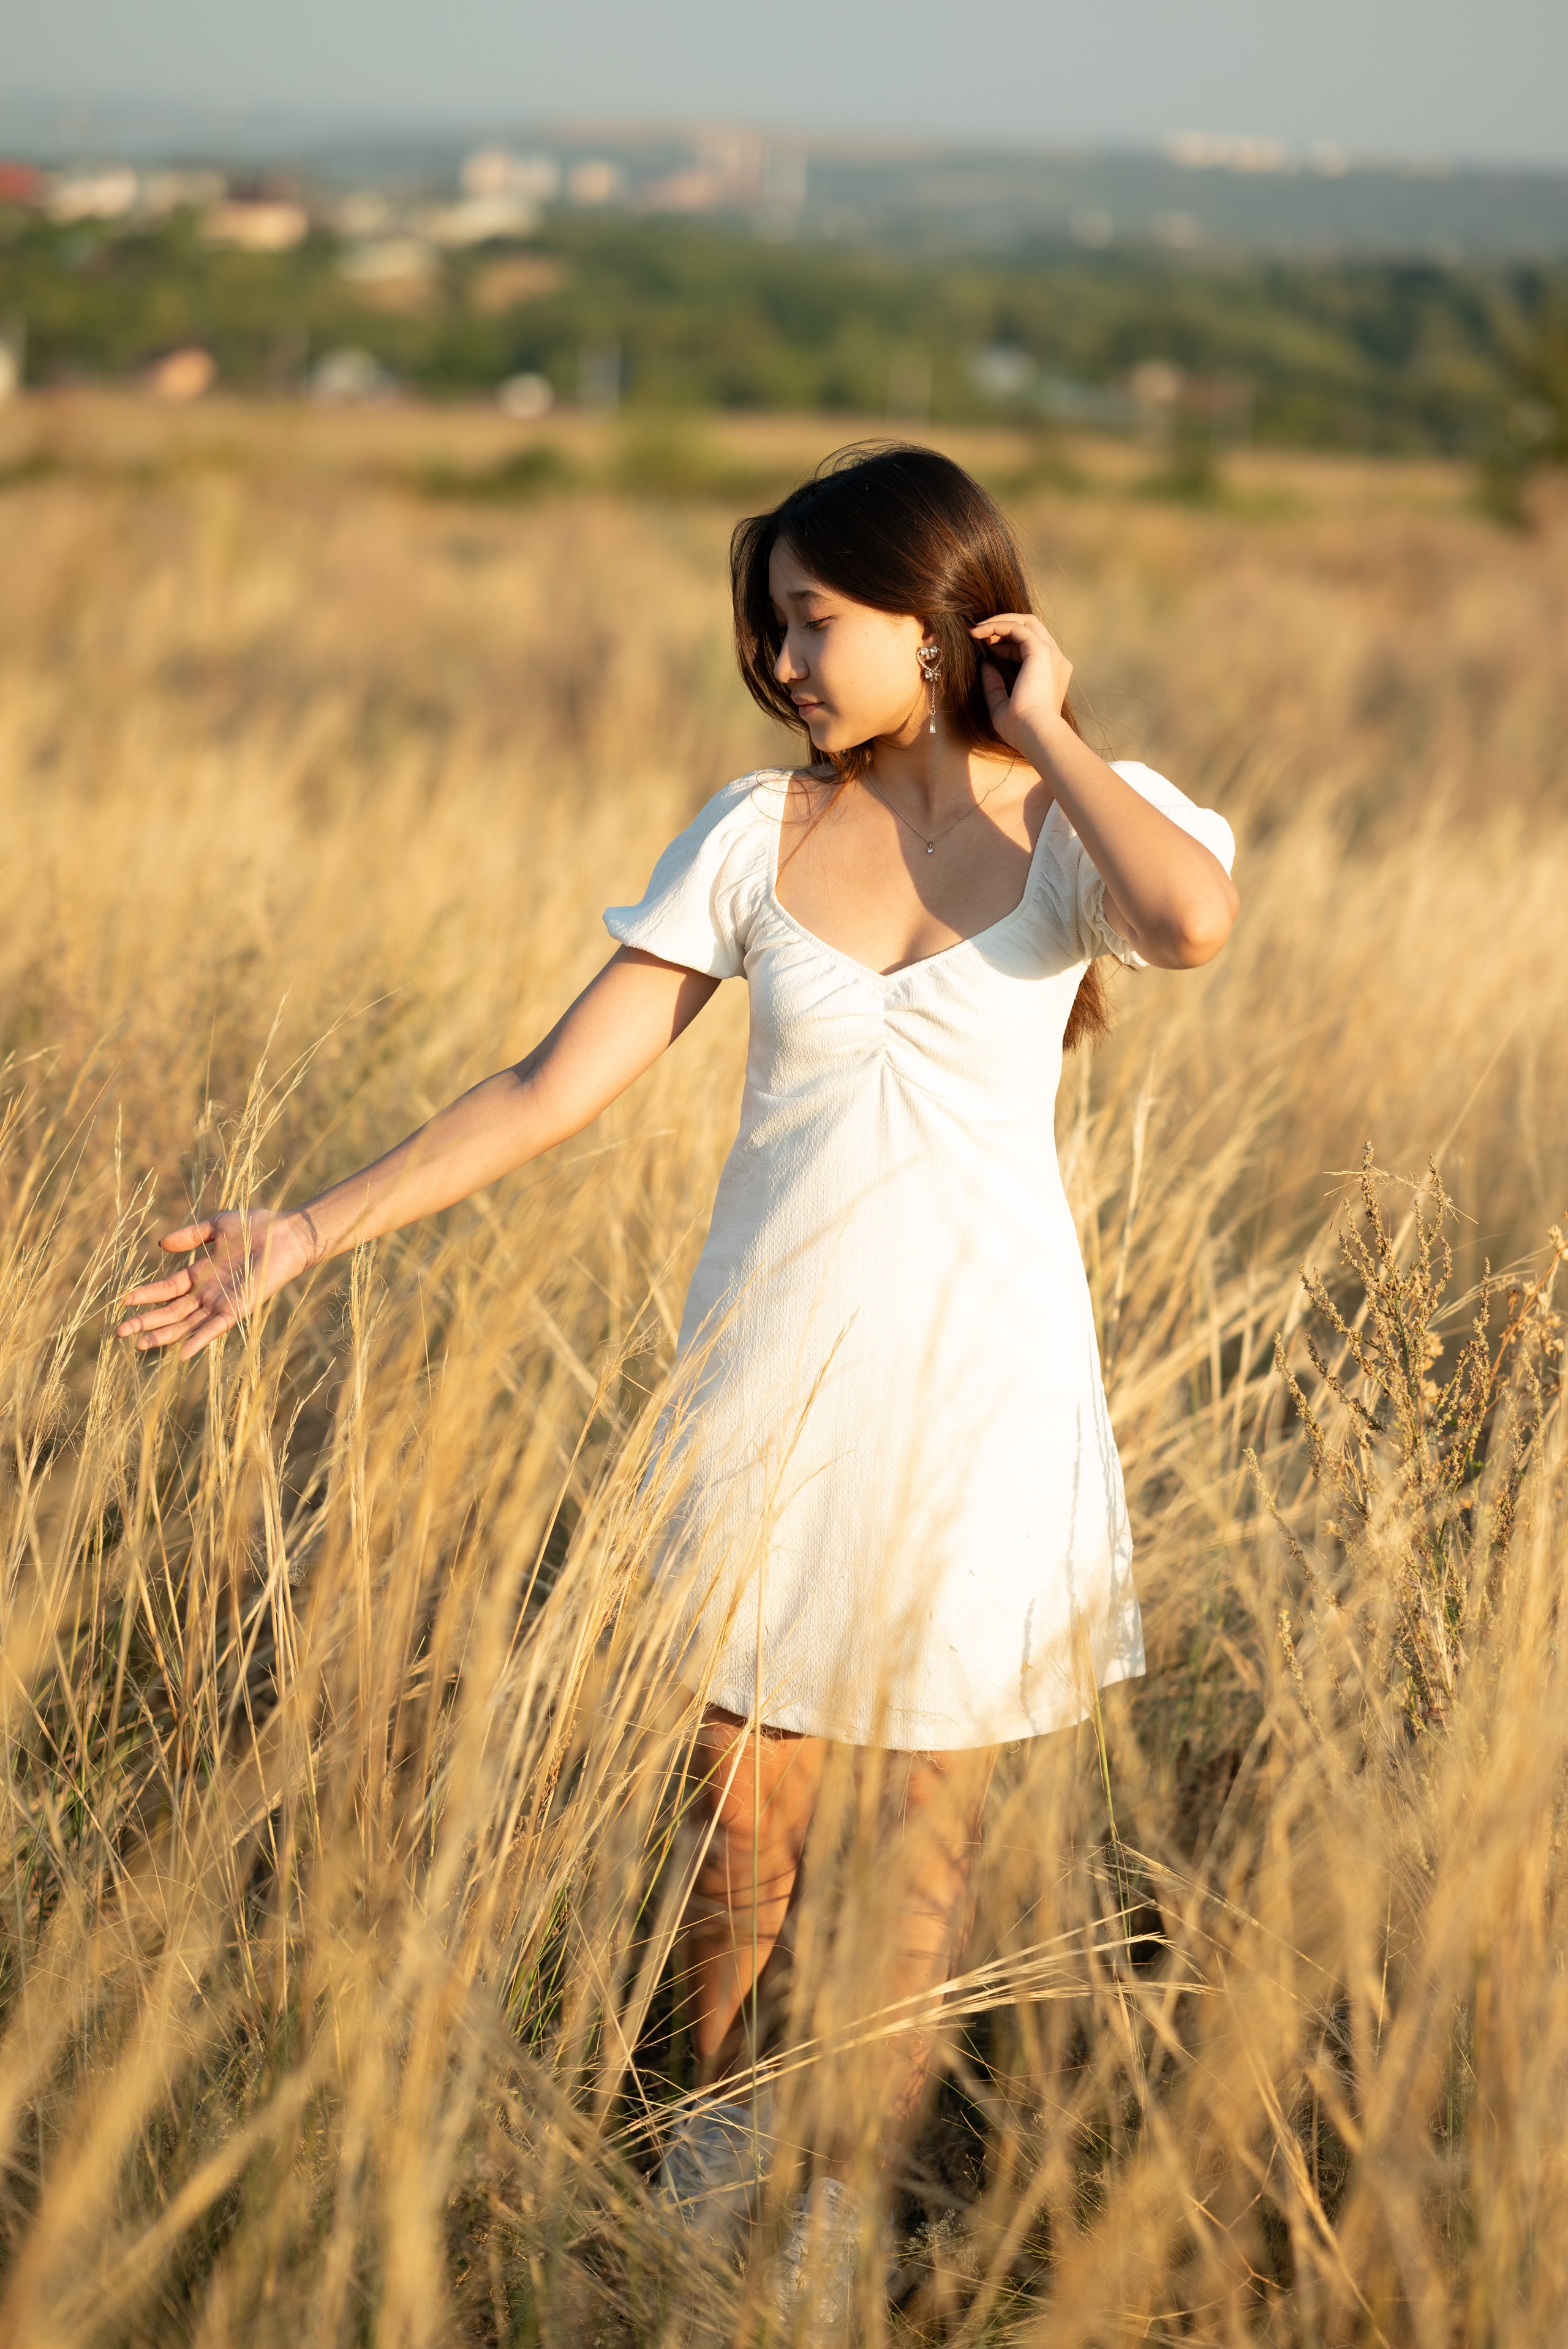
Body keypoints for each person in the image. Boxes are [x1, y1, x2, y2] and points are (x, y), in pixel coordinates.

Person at [118, 443, 1238, 2324]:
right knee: (737, 1825)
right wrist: (302, 1232)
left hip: (981, 1405)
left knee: (916, 1855)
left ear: (940, 622)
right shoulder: (751, 835)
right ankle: (717, 2165)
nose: (781, 659)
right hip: (765, 1386)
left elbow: (1194, 922)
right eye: (771, 623)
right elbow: (551, 1085)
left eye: (815, 620)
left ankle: (835, 2217)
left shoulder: (1073, 829)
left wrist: (1045, 727)